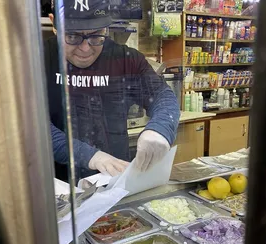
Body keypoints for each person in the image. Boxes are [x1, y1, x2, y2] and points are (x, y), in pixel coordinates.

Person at [45, 0, 180, 181]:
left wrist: (160, 129)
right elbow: (31, 126)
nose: (85, 48)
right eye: (72, 36)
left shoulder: (125, 59)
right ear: (54, 24)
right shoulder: (37, 58)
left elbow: (162, 96)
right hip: (58, 187)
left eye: (96, 36)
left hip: (115, 182)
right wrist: (89, 155)